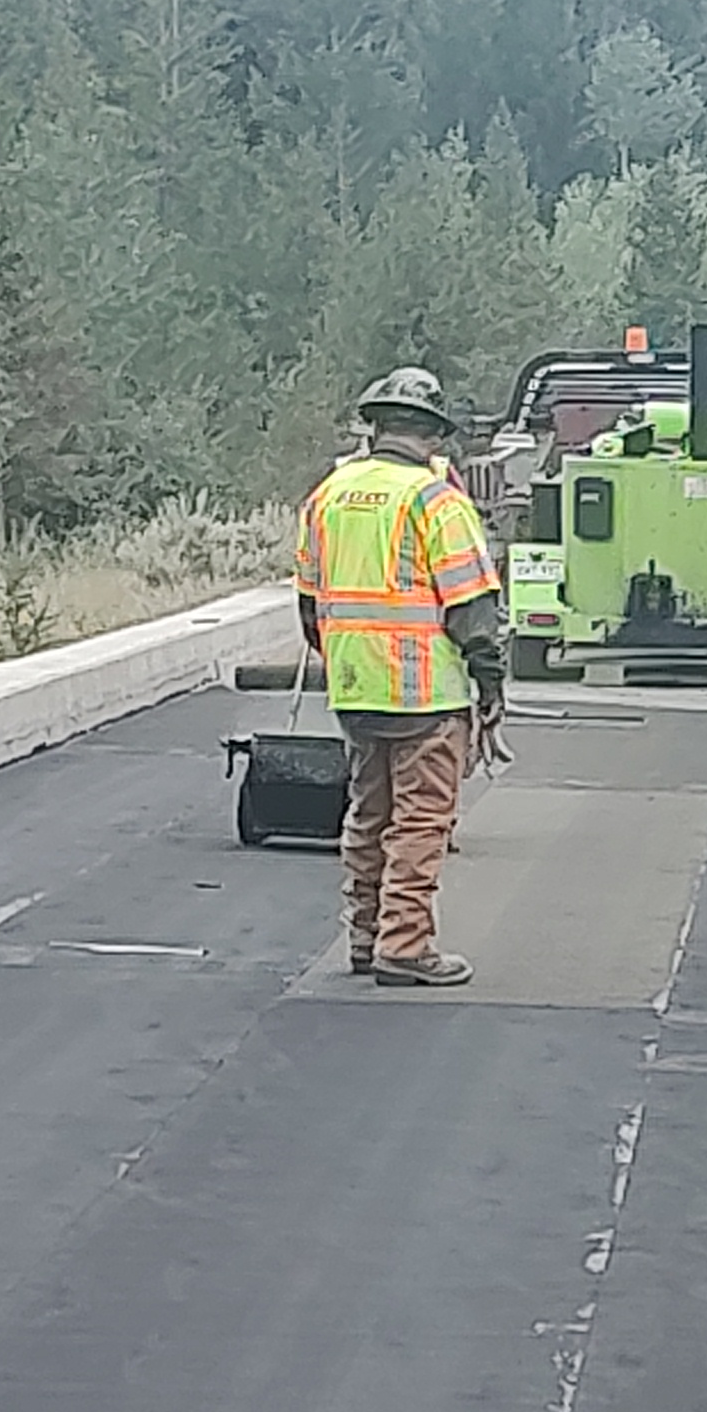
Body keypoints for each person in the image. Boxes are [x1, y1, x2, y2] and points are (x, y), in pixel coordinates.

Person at [297, 366, 506, 987]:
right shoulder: (435, 500)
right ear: (434, 436)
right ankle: (406, 945)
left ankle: (364, 938)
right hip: (426, 695)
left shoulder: (329, 494)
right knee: (421, 821)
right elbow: (470, 606)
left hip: (357, 689)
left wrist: (345, 660)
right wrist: (489, 685)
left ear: (376, 426)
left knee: (368, 815)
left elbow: (310, 601)